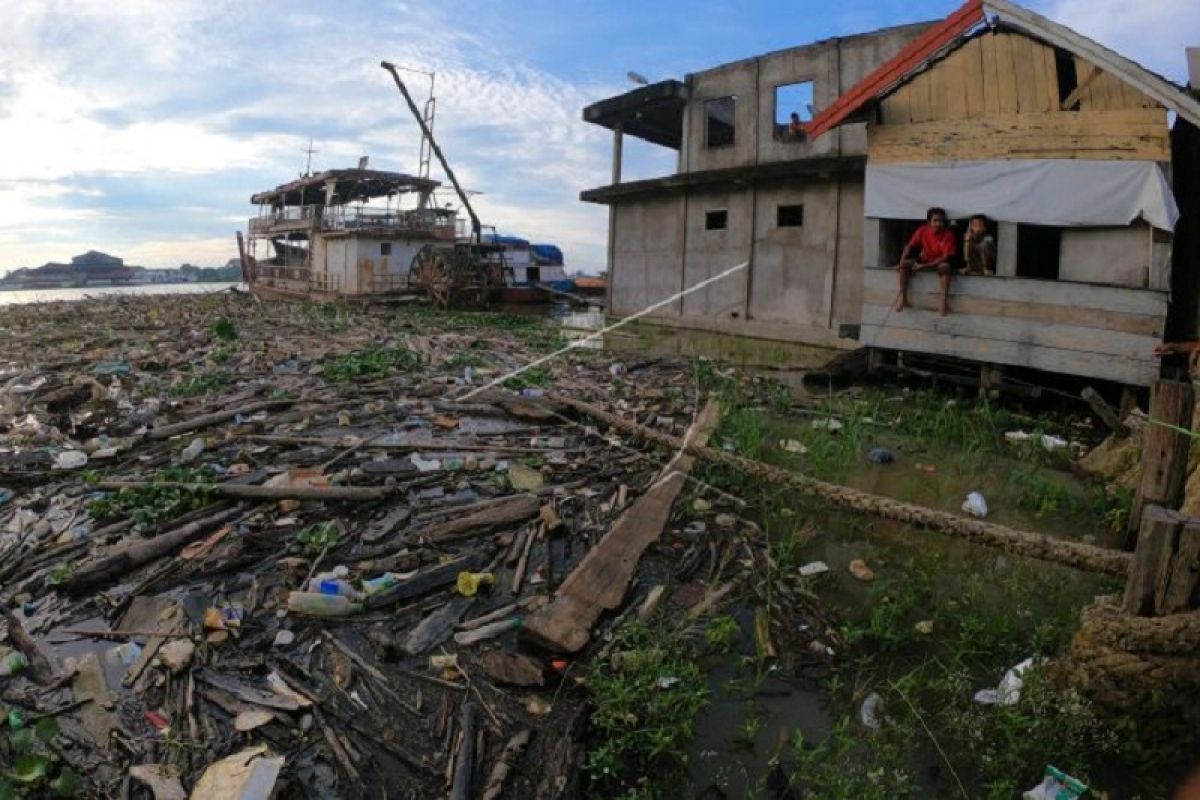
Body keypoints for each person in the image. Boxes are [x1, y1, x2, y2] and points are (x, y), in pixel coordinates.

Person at [895, 207, 957, 316]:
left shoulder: (948, 234)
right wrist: (901, 261)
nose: (938, 224)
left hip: (937, 263)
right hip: (924, 260)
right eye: (935, 220)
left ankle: (943, 302)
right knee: (904, 265)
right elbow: (909, 246)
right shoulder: (923, 230)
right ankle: (903, 298)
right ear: (929, 222)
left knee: (945, 267)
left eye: (941, 221)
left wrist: (923, 266)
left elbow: (945, 257)